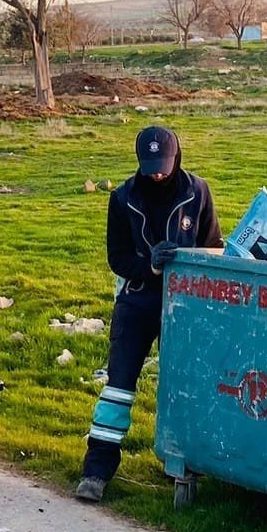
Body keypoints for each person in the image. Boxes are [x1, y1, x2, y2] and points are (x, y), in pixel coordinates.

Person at [75, 125, 222, 503]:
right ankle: (96, 471)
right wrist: (150, 267)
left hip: (186, 306)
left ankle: (189, 468)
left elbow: (214, 246)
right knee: (118, 387)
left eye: (163, 165)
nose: (157, 173)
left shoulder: (197, 192)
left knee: (187, 385)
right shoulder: (123, 198)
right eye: (150, 166)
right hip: (138, 301)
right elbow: (117, 257)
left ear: (177, 158)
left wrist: (187, 267)